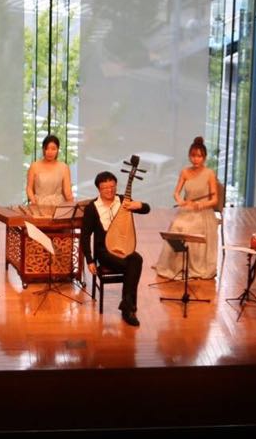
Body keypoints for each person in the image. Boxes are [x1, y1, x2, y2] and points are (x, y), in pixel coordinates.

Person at [80, 170, 150, 327]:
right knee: (133, 266)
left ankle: (126, 303)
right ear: (99, 189)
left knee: (136, 259)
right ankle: (128, 308)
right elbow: (85, 236)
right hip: (104, 251)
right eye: (105, 188)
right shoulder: (92, 208)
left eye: (112, 186)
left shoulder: (123, 201)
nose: (110, 190)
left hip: (124, 247)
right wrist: (90, 260)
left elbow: (147, 209)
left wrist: (138, 205)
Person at [155, 136, 220, 282]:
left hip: (203, 212)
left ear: (204, 157)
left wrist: (202, 204)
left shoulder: (209, 173)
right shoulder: (185, 172)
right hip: (187, 210)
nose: (196, 159)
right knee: (176, 226)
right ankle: (178, 265)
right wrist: (180, 201)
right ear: (189, 156)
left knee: (189, 229)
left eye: (199, 156)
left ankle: (192, 266)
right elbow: (176, 193)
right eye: (193, 156)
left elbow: (215, 199)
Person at [25, 134, 74, 216]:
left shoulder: (64, 167)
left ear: (58, 150)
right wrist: (33, 201)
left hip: (58, 206)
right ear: (43, 149)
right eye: (47, 148)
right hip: (38, 205)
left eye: (53, 149)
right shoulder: (34, 166)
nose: (50, 152)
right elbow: (29, 188)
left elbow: (67, 192)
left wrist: (71, 208)